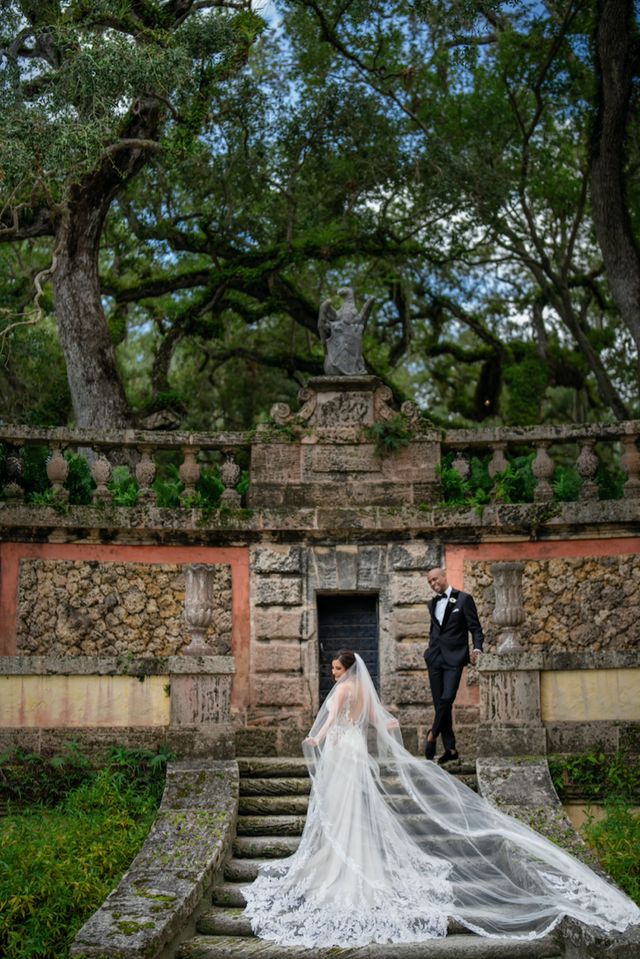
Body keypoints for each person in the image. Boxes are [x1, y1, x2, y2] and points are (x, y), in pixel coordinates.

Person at [242, 650, 639, 949]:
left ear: (346, 669)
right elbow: (380, 720)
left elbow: (330, 721)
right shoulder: (363, 690)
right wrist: (390, 722)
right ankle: (357, 861)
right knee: (355, 809)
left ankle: (341, 867)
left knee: (343, 810)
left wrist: (316, 737)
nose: (333, 674)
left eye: (335, 668)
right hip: (357, 754)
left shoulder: (344, 689)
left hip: (342, 753)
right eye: (332, 670)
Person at [425, 566, 484, 764]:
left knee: (447, 697)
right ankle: (450, 749)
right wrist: (429, 652)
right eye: (430, 582)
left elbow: (475, 628)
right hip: (435, 658)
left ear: (444, 576)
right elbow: (434, 630)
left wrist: (477, 648)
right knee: (440, 703)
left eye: (435, 579)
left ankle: (432, 734)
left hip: (455, 658)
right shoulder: (432, 603)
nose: (433, 584)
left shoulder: (463, 599)